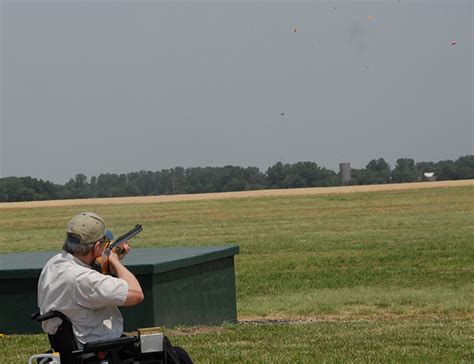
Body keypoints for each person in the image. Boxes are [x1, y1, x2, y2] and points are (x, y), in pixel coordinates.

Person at [37, 211, 144, 345]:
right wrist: (115, 260)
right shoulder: (83, 279)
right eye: (105, 244)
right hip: (97, 348)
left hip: (72, 346)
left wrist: (106, 263)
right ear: (97, 247)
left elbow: (90, 284)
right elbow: (136, 294)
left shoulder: (54, 263)